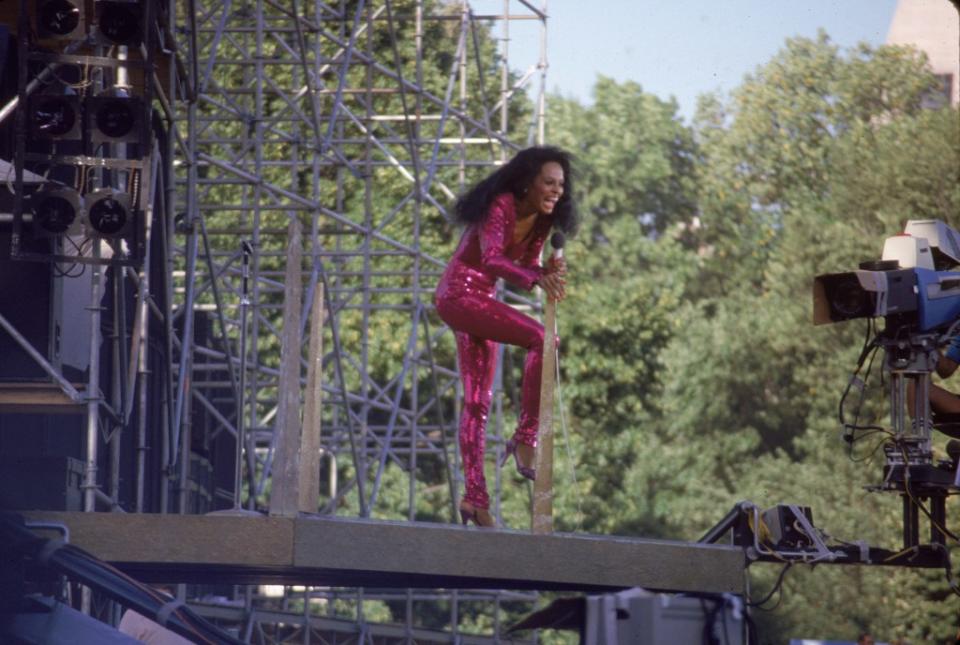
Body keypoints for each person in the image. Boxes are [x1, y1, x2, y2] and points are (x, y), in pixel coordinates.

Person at [435, 146, 578, 528]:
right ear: (527, 183)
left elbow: (526, 263)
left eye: (561, 185)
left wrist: (542, 270)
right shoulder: (500, 205)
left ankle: (475, 500)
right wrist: (534, 278)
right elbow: (492, 258)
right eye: (548, 183)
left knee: (477, 402)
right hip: (458, 294)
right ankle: (526, 438)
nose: (556, 191)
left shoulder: (544, 222)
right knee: (543, 338)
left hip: (481, 300)